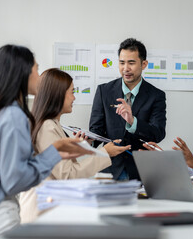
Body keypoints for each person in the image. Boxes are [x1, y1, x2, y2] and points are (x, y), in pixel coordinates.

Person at [0, 45, 94, 239]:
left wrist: (54, 152)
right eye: (37, 69)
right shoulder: (15, 116)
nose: (40, 77)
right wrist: (52, 155)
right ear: (24, 72)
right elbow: (15, 180)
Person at [19, 68, 131, 223]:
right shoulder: (47, 128)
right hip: (41, 212)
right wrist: (105, 153)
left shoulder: (53, 125)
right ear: (58, 94)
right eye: (71, 92)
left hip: (48, 208)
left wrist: (80, 148)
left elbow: (62, 168)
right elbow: (68, 175)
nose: (74, 97)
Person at [89, 38, 166, 180]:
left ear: (144, 64)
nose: (126, 68)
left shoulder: (156, 96)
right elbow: (96, 130)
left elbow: (158, 133)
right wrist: (88, 141)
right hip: (108, 170)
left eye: (131, 63)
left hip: (140, 171)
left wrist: (133, 122)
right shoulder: (104, 91)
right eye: (122, 62)